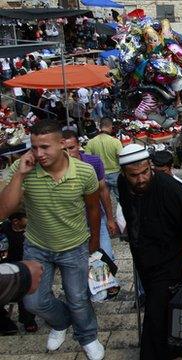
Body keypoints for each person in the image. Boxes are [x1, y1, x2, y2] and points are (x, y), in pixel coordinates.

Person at [0, 119, 104, 359]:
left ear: (62, 144)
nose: (39, 153)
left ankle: (88, 336)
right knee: (33, 302)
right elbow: (4, 210)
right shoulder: (23, 168)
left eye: (45, 147)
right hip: (37, 246)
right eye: (34, 147)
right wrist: (20, 175)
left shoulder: (84, 172)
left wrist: (95, 242)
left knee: (78, 298)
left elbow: (93, 208)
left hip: (74, 246)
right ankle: (61, 322)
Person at [117, 144, 182, 360]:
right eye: (134, 175)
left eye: (144, 172)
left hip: (170, 262)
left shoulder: (168, 186)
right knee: (164, 311)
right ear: (124, 174)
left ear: (150, 166)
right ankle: (177, 348)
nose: (140, 179)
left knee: (155, 318)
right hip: (145, 260)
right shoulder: (122, 183)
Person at [62, 130, 120, 298]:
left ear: (78, 146)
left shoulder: (93, 162)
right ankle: (92, 288)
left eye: (71, 148)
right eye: (63, 150)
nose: (68, 153)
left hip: (96, 218)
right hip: (72, 223)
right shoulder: (58, 168)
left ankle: (105, 282)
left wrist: (110, 218)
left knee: (105, 254)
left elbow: (103, 191)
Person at [0, 212, 38, 334]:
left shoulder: (33, 230)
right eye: (26, 218)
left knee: (28, 288)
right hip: (7, 267)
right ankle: (4, 322)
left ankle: (28, 320)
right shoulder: (4, 230)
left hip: (27, 267)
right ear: (16, 222)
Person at [84, 118, 123, 199]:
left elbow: (87, 160)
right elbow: (121, 159)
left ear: (99, 127)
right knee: (121, 199)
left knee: (104, 200)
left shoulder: (91, 142)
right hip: (115, 174)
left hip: (99, 175)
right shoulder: (116, 142)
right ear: (111, 127)